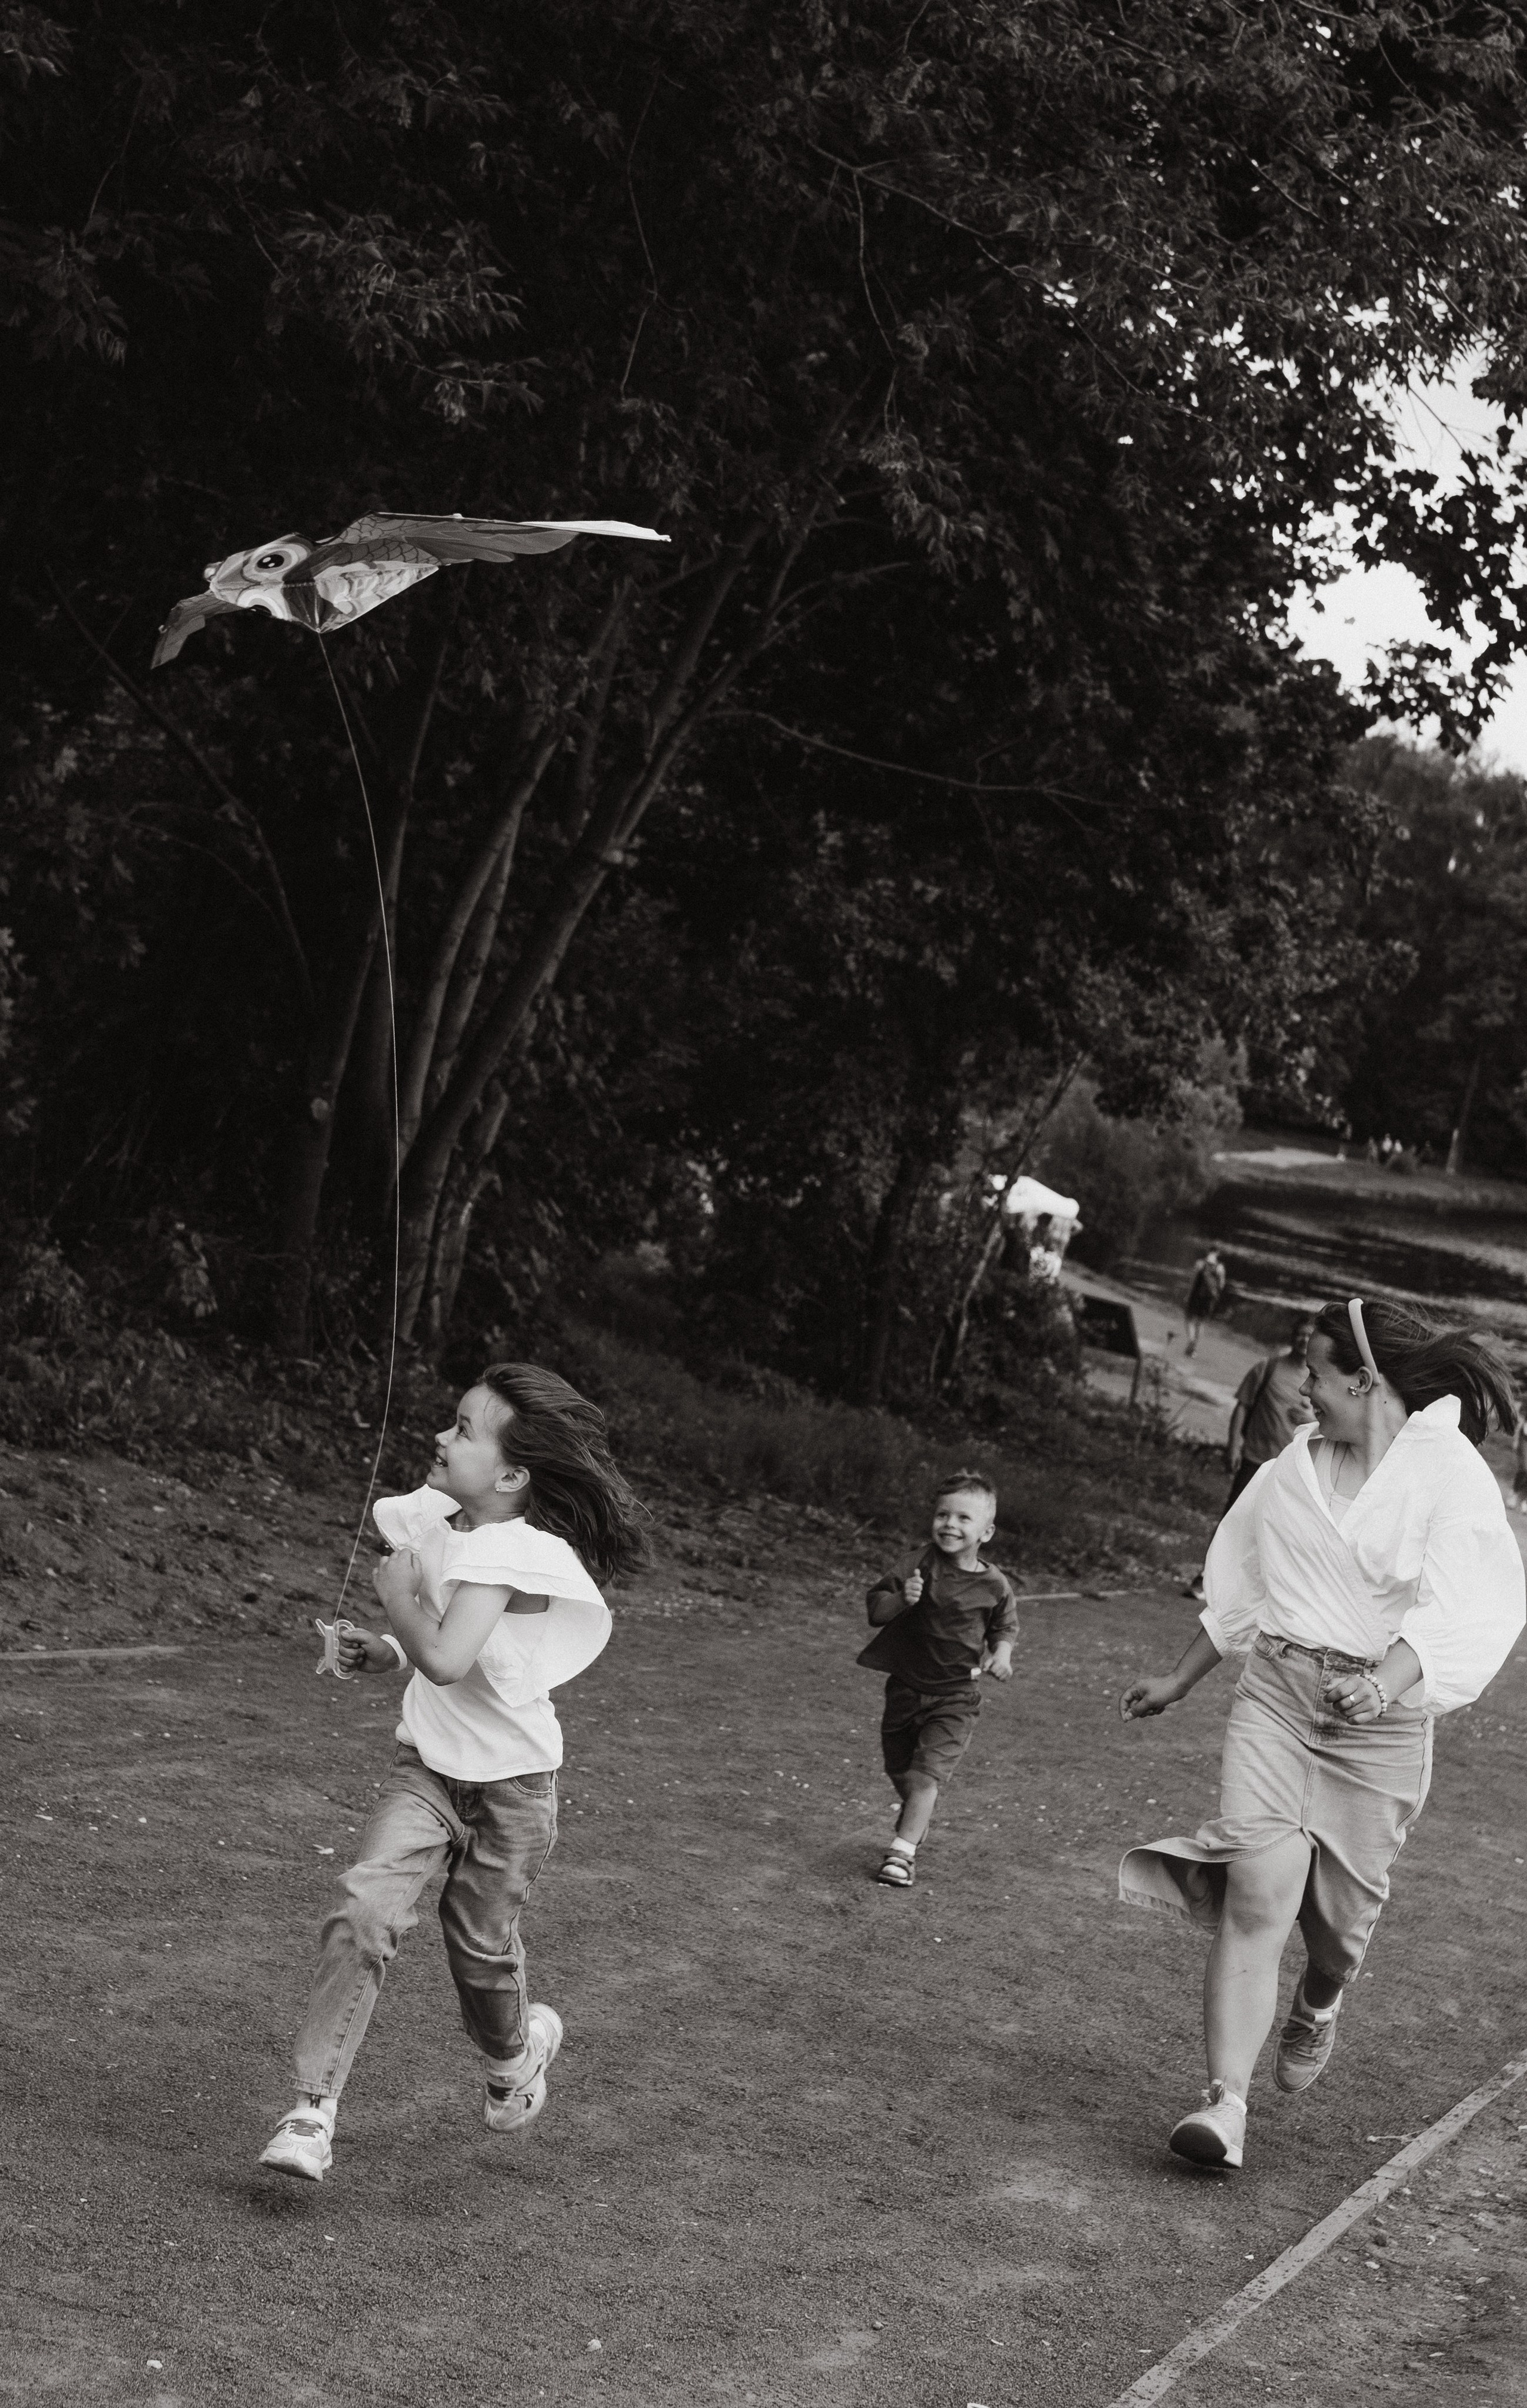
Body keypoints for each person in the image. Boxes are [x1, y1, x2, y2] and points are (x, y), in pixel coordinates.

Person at [1117, 1299, 1523, 2172]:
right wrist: (1182, 1678)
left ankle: (1323, 1994)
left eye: (1312, 1368)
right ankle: (1225, 2105)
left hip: (1379, 1728)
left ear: (1363, 1380)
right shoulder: (1289, 1471)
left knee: (1339, 1925)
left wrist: (1385, 1683)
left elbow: (1470, 1603)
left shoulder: (1448, 1474)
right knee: (1259, 1892)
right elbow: (1246, 1588)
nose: (1299, 1385)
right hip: (1276, 1699)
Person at [259, 1362, 646, 2184]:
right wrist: (385, 1647)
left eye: (463, 1430)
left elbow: (446, 1655)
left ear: (510, 1475)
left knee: (479, 1951)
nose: (440, 1436)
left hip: (513, 1791)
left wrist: (397, 1603)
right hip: (428, 1772)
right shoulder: (446, 1526)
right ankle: (311, 2110)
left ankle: (516, 2057)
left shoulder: (516, 1552)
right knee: (365, 1910)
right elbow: (435, 1644)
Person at [859, 1471, 1019, 1888]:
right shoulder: (916, 1564)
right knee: (900, 1770)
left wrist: (1001, 1654)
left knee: (926, 1775)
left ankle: (902, 1853)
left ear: (987, 1531)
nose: (950, 1524)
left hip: (956, 1696)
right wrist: (900, 1600)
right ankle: (917, 1816)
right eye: (943, 1515)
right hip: (906, 1688)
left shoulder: (995, 1584)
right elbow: (876, 1609)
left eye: (964, 1518)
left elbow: (1004, 1627)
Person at [1224, 1315, 1317, 1508]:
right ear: (1292, 1337)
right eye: (1300, 1335)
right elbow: (1242, 1406)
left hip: (1288, 1468)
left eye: (1309, 1336)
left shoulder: (1318, 1380)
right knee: (1234, 1515)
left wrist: (1310, 1418)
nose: (1304, 1340)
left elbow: (1328, 1423)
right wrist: (1234, 1444)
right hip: (1254, 1458)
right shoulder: (1267, 1368)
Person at [1183, 1249, 1226, 1356]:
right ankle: (1194, 1347)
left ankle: (1191, 1340)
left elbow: (1193, 1282)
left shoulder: (1200, 1264)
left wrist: (1188, 1295)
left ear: (1208, 1252)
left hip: (1196, 1296)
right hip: (1209, 1300)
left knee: (1189, 1319)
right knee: (1200, 1322)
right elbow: (1221, 1286)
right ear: (1218, 1254)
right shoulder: (1220, 1268)